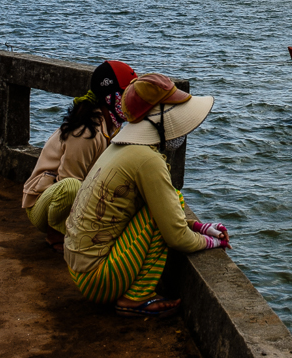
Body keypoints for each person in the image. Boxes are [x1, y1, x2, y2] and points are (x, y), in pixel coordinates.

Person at [64, 74, 229, 319]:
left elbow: (162, 212)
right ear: (161, 121)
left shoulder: (120, 146)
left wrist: (199, 227)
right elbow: (176, 237)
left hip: (79, 269)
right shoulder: (148, 160)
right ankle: (136, 297)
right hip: (97, 279)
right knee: (172, 201)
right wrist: (213, 242)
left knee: (167, 203)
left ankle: (133, 293)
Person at [22, 61, 136, 251]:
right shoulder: (85, 132)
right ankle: (56, 233)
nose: (131, 100)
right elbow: (68, 180)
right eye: (126, 94)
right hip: (44, 205)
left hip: (71, 198)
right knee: (71, 187)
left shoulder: (112, 127)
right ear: (111, 97)